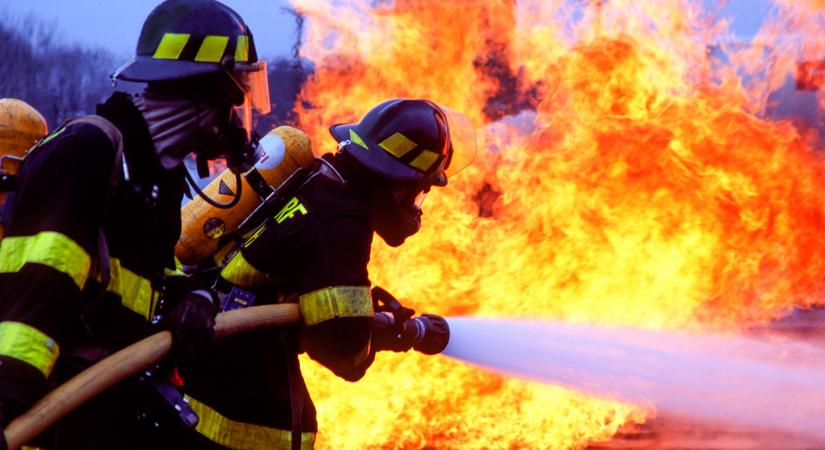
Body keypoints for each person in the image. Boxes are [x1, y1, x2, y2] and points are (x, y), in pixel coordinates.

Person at [0, 1, 271, 448]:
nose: (239, 115)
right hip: (48, 420)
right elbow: (38, 279)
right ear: (205, 92)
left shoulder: (154, 176)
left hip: (108, 410)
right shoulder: (88, 150)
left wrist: (197, 298)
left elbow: (152, 277)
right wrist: (10, 401)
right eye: (236, 94)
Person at [176, 98, 476, 449]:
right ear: (399, 182)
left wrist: (365, 319)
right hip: (237, 400)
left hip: (204, 366)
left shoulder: (317, 181)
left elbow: (311, 300)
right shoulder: (340, 222)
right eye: (419, 192)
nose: (415, 207)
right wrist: (386, 333)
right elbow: (343, 350)